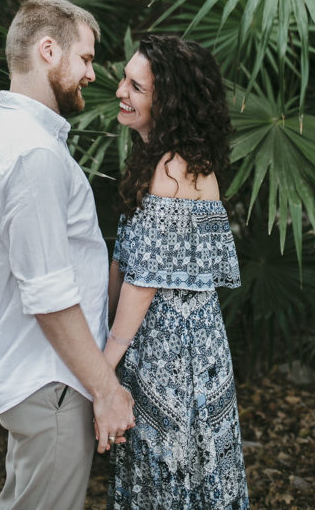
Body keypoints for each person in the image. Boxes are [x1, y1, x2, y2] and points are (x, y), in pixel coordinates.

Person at [0, 0, 135, 510]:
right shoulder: (33, 154)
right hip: (54, 385)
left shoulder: (14, 135)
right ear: (48, 50)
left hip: (43, 380)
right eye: (85, 58)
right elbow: (47, 294)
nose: (92, 74)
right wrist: (105, 389)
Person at [104, 34, 249, 510]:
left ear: (168, 103)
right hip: (164, 341)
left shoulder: (174, 168)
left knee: (170, 474)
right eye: (126, 78)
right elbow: (124, 262)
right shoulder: (157, 158)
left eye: (136, 86)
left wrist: (104, 364)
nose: (121, 90)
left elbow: (143, 280)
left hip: (173, 353)